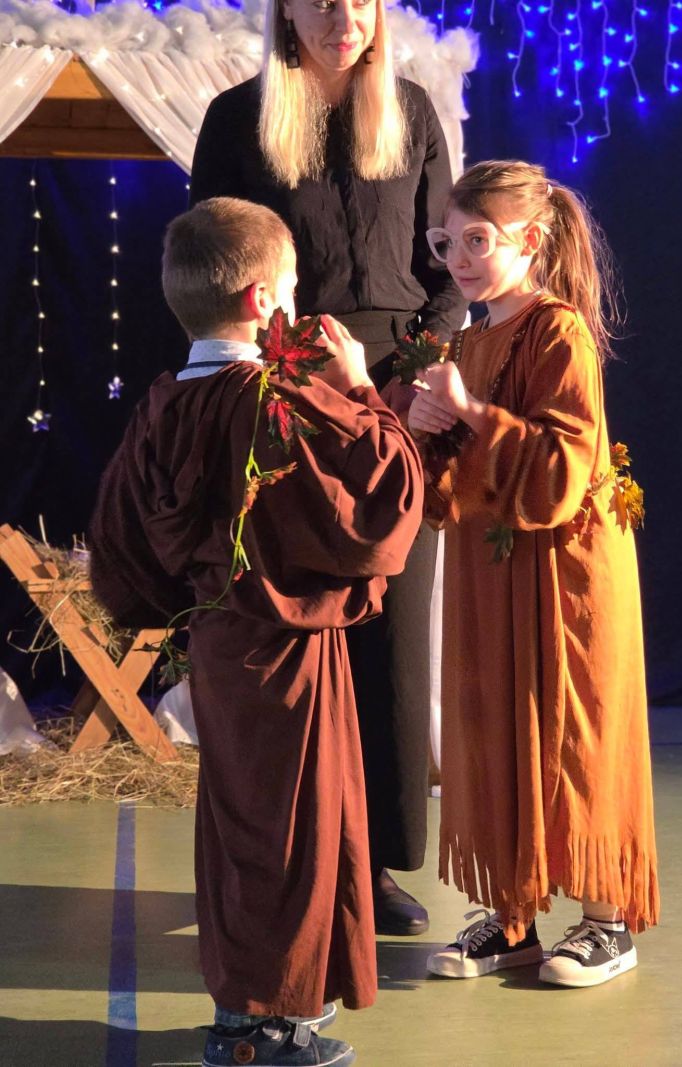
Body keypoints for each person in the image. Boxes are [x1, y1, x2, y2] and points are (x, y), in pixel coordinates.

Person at [89, 196, 424, 1066]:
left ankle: (247, 1011)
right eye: (292, 288)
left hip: (217, 648)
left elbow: (120, 551)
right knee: (293, 831)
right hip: (288, 654)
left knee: (243, 827)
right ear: (260, 300)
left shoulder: (163, 403)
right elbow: (383, 507)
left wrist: (192, 602)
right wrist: (359, 386)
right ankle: (265, 1029)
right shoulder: (278, 402)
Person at [189, 0, 467, 935]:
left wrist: (418, 368)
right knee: (309, 636)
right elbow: (213, 268)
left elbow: (446, 270)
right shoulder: (237, 119)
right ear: (286, 10)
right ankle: (310, 856)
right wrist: (283, 377)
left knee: (394, 634)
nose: (341, 15)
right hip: (289, 386)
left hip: (402, 393)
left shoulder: (414, 111)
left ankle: (378, 862)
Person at [409, 161, 659, 989]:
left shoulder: (560, 333)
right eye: (448, 242)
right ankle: (513, 916)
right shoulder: (466, 341)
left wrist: (470, 413)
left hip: (565, 573)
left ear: (533, 241)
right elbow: (449, 488)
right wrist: (429, 427)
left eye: (478, 240)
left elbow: (560, 469)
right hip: (495, 570)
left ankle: (606, 921)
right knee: (497, 723)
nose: (460, 259)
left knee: (574, 730)